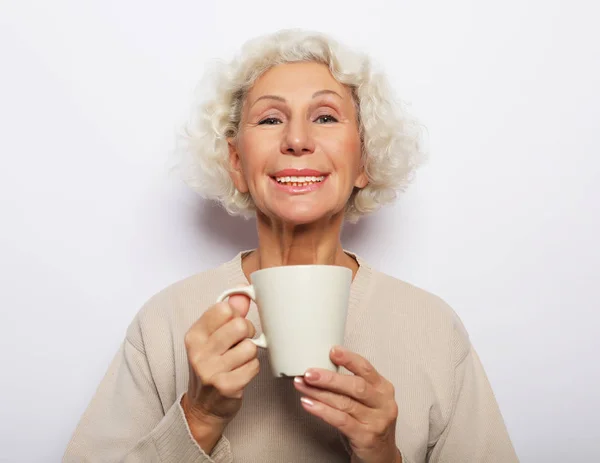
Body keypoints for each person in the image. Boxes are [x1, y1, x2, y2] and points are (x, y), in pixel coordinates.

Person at [63, 29, 519, 463]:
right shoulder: (165, 322)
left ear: (365, 160)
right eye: (270, 119)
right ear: (236, 163)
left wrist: (383, 454)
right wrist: (199, 418)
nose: (297, 141)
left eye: (324, 117)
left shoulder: (433, 327)